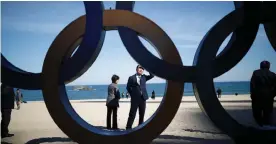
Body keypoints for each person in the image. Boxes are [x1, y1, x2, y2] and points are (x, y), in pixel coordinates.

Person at [126, 65, 154, 129]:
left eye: (142, 68)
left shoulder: (144, 77)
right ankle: (128, 128)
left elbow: (152, 75)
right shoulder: (131, 77)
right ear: (136, 69)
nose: (141, 69)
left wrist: (147, 68)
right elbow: (128, 87)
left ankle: (140, 127)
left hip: (143, 98)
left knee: (142, 114)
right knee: (132, 114)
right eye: (140, 68)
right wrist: (133, 94)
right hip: (134, 99)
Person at [250, 61, 276, 127]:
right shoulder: (273, 74)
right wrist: (272, 95)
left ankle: (260, 124)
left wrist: (252, 94)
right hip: (268, 96)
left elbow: (252, 84)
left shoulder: (255, 73)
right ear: (269, 66)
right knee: (267, 113)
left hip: (257, 96)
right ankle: (265, 125)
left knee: (256, 113)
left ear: (260, 66)